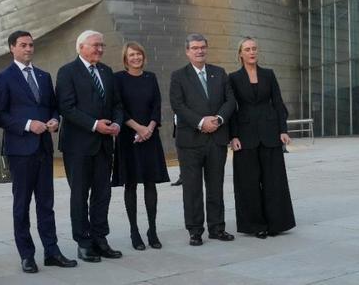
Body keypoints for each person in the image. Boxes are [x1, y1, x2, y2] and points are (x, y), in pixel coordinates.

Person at [0, 31, 76, 274]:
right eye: (23, 45)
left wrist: (53, 120)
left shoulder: (43, 75)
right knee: (22, 204)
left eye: (31, 45)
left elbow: (52, 106)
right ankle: (27, 255)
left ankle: (52, 251)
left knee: (46, 204)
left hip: (43, 149)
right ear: (12, 48)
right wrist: (28, 125)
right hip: (20, 149)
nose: (29, 49)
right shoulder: (3, 77)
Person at [56, 30, 124, 262]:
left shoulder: (106, 72)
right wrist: (96, 125)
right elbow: (67, 108)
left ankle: (100, 239)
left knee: (102, 194)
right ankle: (83, 242)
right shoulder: (67, 72)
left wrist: (116, 123)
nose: (100, 49)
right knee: (80, 195)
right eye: (95, 45)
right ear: (81, 47)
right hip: (78, 146)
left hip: (105, 145)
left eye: (102, 45)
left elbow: (117, 104)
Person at [169, 33, 237, 246]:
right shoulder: (178, 76)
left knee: (215, 186)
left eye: (203, 47)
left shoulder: (219, 73)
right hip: (190, 141)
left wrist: (217, 119)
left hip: (216, 140)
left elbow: (230, 101)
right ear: (187, 51)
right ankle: (195, 230)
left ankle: (217, 228)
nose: (200, 51)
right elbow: (178, 105)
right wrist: (201, 122)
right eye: (195, 48)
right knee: (192, 188)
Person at [229, 37, 296, 239]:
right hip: (245, 135)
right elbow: (232, 108)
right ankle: (255, 225)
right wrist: (233, 136)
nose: (252, 52)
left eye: (254, 48)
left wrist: (283, 130)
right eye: (247, 49)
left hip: (270, 133)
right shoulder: (232, 78)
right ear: (240, 54)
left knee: (274, 181)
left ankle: (277, 223)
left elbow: (278, 102)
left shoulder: (268, 74)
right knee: (247, 183)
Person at [112, 42, 169, 250]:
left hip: (149, 137)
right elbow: (118, 107)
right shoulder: (118, 78)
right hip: (128, 138)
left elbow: (156, 105)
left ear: (143, 57)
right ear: (125, 59)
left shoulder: (150, 77)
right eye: (131, 55)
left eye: (138, 54)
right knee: (131, 184)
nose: (136, 58)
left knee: (150, 184)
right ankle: (134, 232)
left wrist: (149, 129)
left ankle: (152, 230)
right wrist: (138, 128)